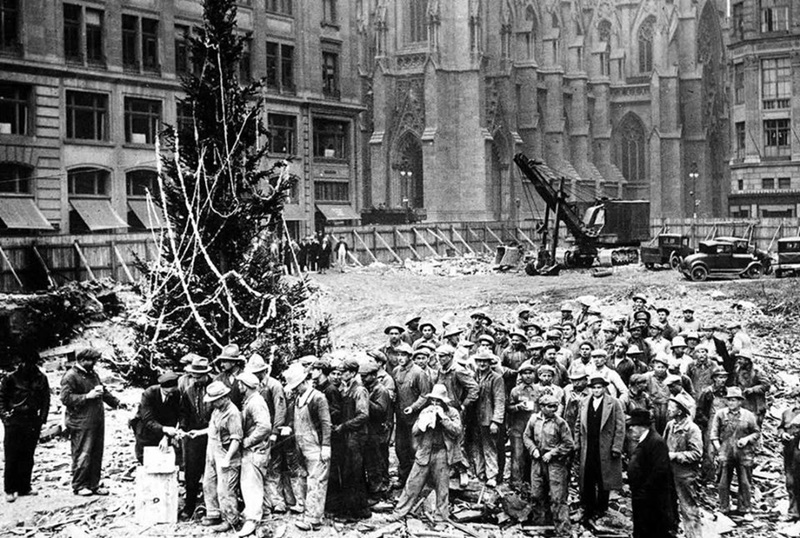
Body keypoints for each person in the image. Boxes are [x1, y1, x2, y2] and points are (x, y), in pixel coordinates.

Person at [388, 384, 462, 522]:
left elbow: (457, 431)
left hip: (442, 453)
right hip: (424, 452)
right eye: (433, 400)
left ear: (444, 401)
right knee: (412, 483)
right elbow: (415, 431)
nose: (435, 403)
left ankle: (441, 518)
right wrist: (423, 423)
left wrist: (443, 419)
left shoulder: (452, 413)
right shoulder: (426, 411)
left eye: (438, 401)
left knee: (442, 488)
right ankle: (399, 512)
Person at [60, 348, 122, 496]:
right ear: (81, 360)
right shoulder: (70, 376)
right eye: (91, 360)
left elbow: (103, 391)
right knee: (82, 453)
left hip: (97, 420)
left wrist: (116, 402)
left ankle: (94, 484)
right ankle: (79, 485)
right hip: (80, 422)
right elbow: (65, 399)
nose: (94, 363)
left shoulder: (92, 374)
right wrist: (87, 396)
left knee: (96, 453)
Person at [285, 363, 331, 531]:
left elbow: (326, 424)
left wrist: (326, 445)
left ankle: (313, 519)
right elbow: (296, 420)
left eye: (297, 387)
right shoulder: (298, 399)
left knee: (317, 481)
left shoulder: (318, 398)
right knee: (305, 478)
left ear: (305, 382)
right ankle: (307, 508)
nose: (295, 390)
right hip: (302, 445)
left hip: (316, 446)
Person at [0, 349, 50, 502]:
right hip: (15, 420)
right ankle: (10, 489)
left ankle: (24, 487)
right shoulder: (11, 378)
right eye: (24, 362)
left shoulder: (41, 378)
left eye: (30, 362)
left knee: (28, 455)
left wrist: (42, 419)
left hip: (32, 420)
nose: (27, 365)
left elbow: (46, 400)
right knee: (12, 455)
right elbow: (1, 399)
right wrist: (5, 416)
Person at [576, 376, 625, 523]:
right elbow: (578, 424)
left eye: (599, 387)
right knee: (588, 477)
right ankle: (588, 508)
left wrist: (617, 447)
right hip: (588, 445)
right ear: (590, 389)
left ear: (604, 388)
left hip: (606, 447)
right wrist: (577, 443)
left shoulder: (614, 403)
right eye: (594, 388)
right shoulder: (584, 402)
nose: (597, 390)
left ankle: (601, 508)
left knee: (604, 478)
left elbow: (620, 427)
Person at [523, 394, 574, 536]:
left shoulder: (560, 423)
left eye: (555, 406)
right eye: (550, 406)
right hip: (538, 461)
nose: (554, 409)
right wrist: (533, 449)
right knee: (537, 493)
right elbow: (526, 436)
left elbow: (569, 444)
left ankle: (563, 531)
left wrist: (552, 453)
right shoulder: (534, 419)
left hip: (555, 464)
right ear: (542, 407)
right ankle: (540, 524)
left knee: (558, 497)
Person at [196, 381, 243, 532]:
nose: (213, 403)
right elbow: (213, 429)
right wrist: (199, 432)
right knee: (208, 484)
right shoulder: (217, 410)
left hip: (226, 453)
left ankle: (230, 520)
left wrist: (227, 459)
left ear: (224, 398)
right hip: (213, 451)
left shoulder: (233, 413)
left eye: (215, 400)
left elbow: (236, 439)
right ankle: (213, 513)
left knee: (225, 490)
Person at [710, 386, 760, 521]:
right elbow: (713, 435)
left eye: (734, 400)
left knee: (744, 481)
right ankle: (724, 508)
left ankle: (745, 509)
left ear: (740, 402)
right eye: (729, 400)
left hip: (744, 453)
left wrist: (746, 439)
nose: (731, 403)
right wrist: (719, 449)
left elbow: (756, 432)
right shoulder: (720, 414)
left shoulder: (748, 415)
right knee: (723, 481)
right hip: (726, 452)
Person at [330, 358, 371, 520]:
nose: (341, 375)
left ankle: (357, 512)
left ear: (353, 373)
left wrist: (344, 426)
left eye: (344, 372)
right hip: (348, 436)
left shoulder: (359, 391)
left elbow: (363, 415)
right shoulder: (345, 388)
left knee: (354, 473)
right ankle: (352, 509)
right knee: (348, 473)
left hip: (357, 436)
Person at [627, 409, 674, 538]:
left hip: (652, 498)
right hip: (643, 496)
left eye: (634, 425)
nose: (631, 428)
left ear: (643, 426)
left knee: (652, 530)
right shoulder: (645, 440)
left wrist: (644, 491)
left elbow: (660, 471)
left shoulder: (656, 442)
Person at [236, 372, 272, 537]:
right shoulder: (251, 401)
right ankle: (258, 514)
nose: (238, 386)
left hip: (255, 450)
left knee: (251, 485)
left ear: (245, 385)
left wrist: (248, 442)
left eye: (240, 384)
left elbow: (265, 427)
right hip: (254, 450)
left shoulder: (256, 402)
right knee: (251, 484)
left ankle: (252, 520)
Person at [178, 354, 213, 519]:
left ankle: (212, 507)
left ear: (206, 374)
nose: (196, 379)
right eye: (193, 376)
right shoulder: (189, 390)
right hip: (193, 435)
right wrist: (183, 428)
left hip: (213, 434)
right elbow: (184, 412)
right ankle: (190, 505)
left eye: (199, 376)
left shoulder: (216, 387)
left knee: (212, 471)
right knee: (191, 471)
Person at [664, 393, 703, 538]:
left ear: (680, 411)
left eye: (671, 407)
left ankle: (693, 535)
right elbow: (664, 445)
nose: (668, 410)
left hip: (685, 475)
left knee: (688, 508)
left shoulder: (692, 429)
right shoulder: (670, 425)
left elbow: (697, 454)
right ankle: (672, 531)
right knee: (669, 506)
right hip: (670, 473)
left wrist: (676, 456)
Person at [395, 342, 432, 487]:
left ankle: (418, 481)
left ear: (410, 357)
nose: (400, 358)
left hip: (415, 418)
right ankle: (403, 478)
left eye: (403, 355)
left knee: (415, 448)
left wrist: (413, 407)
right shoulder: (397, 371)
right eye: (398, 354)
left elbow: (425, 395)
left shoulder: (418, 373)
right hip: (400, 417)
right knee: (400, 448)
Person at [469, 349, 506, 488]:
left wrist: (496, 421)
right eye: (479, 361)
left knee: (490, 447)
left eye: (485, 361)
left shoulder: (496, 378)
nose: (482, 364)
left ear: (490, 362)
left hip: (488, 418)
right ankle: (481, 473)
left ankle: (492, 475)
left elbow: (500, 400)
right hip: (475, 418)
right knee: (477, 446)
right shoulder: (474, 376)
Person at [131, 372, 181, 464]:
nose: (170, 395)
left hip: (163, 427)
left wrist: (166, 437)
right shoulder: (149, 394)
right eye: (167, 393)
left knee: (164, 457)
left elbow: (173, 418)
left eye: (172, 392)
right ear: (162, 388)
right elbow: (148, 420)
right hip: (145, 429)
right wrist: (164, 429)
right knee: (145, 458)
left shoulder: (175, 394)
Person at [360, 360, 392, 499]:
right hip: (371, 430)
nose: (362, 379)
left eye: (365, 376)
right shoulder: (368, 388)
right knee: (372, 460)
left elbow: (380, 411)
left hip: (379, 430)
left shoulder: (381, 390)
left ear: (373, 375)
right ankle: (375, 487)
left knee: (379, 460)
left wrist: (366, 400)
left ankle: (381, 490)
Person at [507, 360, 538, 488]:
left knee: (532, 456)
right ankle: (516, 484)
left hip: (534, 428)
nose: (528, 376)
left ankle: (532, 483)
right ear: (521, 375)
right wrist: (518, 407)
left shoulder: (539, 390)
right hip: (518, 428)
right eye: (525, 373)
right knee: (517, 456)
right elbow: (508, 407)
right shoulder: (515, 391)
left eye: (530, 373)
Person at [778, 387, 800, 522]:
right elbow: (780, 427)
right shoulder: (787, 413)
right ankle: (793, 512)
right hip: (790, 452)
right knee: (791, 482)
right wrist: (783, 434)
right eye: (797, 397)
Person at [733, 351, 770, 426]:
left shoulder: (757, 371)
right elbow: (736, 382)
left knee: (754, 426)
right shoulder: (738, 369)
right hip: (743, 402)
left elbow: (766, 385)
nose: (738, 361)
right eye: (738, 359)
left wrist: (752, 389)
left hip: (756, 404)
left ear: (747, 360)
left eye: (741, 359)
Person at [213, 344, 246, 409]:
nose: (222, 365)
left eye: (224, 362)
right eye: (221, 362)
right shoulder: (218, 379)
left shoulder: (245, 377)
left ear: (233, 362)